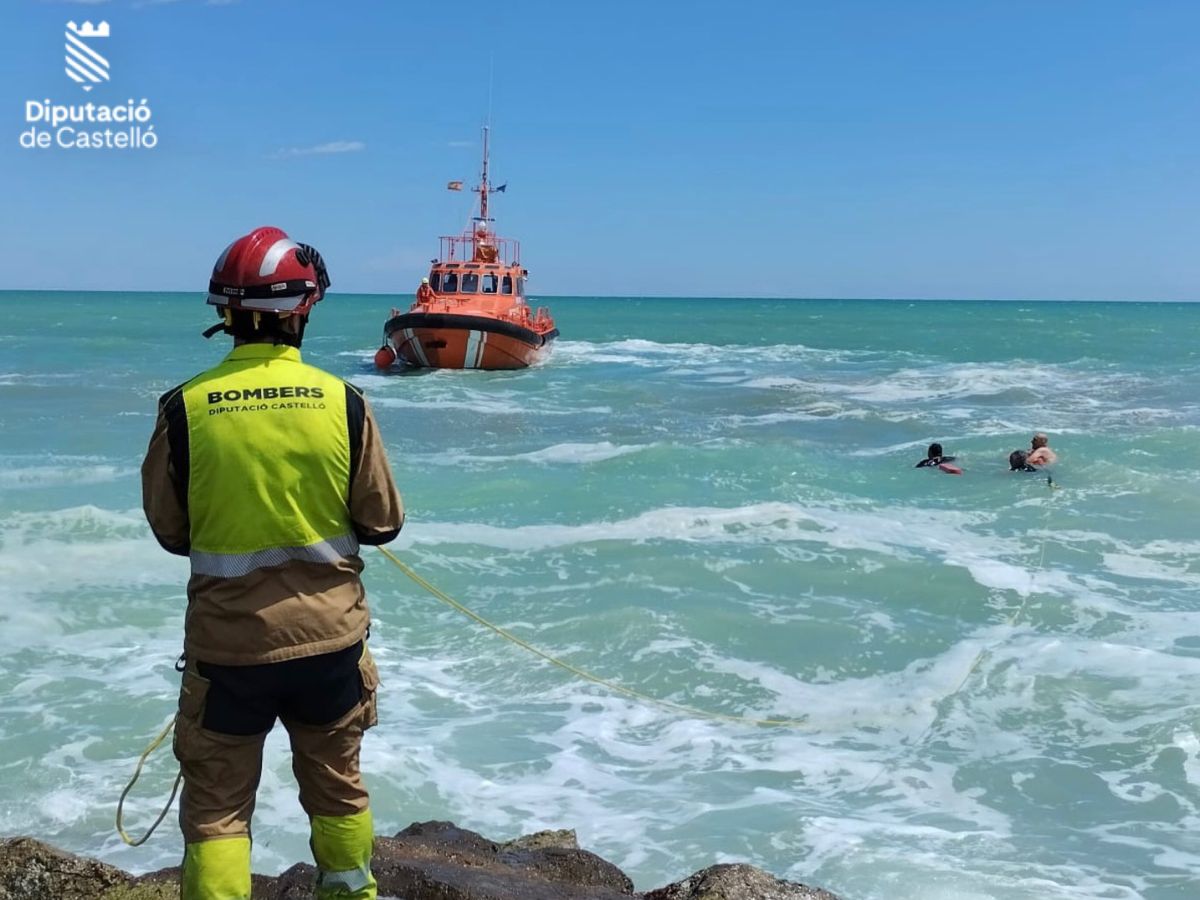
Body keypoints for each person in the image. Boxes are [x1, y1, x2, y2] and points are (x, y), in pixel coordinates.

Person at [141, 226, 404, 900]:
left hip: (228, 652)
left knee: (218, 811)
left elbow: (172, 533)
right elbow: (383, 522)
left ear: (225, 315)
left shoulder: (184, 408)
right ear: (303, 310)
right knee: (338, 789)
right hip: (328, 645)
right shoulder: (344, 402)